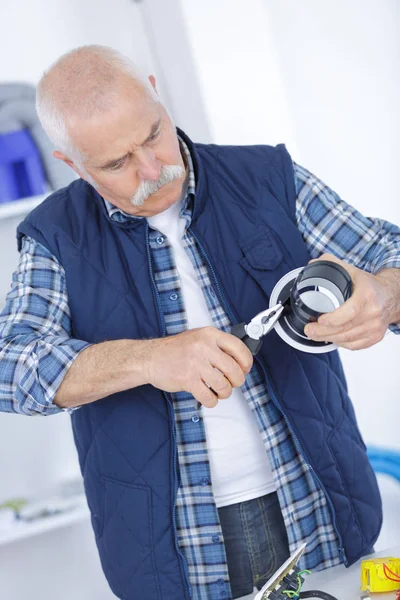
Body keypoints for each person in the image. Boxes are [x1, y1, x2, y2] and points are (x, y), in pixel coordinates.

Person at [0, 45, 399, 600]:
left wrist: (384, 292)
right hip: (172, 553)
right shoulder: (53, 236)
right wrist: (150, 358)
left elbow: (390, 254)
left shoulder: (269, 178)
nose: (152, 168)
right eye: (116, 163)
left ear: (155, 90)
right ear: (71, 163)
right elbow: (9, 367)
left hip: (322, 505)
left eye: (154, 134)